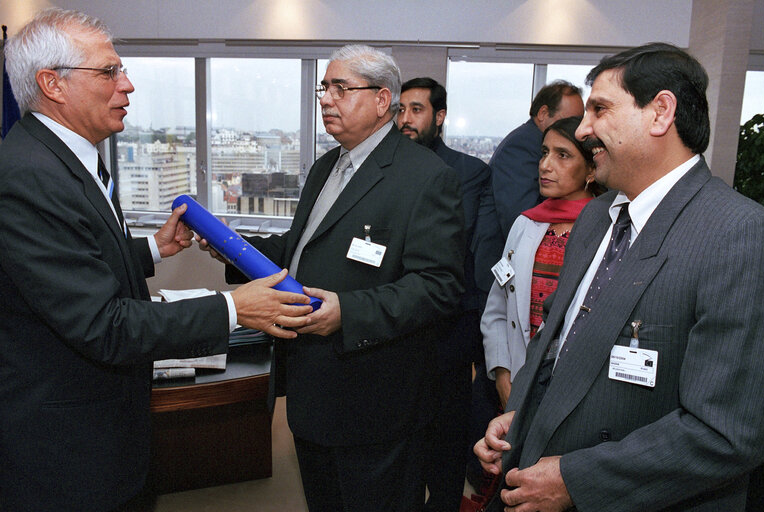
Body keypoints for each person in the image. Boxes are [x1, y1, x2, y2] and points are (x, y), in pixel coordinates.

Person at [0, 9, 312, 512]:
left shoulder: (64, 158)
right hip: (65, 450)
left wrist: (152, 249)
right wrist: (235, 309)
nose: (128, 85)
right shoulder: (30, 177)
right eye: (109, 71)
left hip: (104, 427)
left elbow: (73, 259)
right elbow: (102, 323)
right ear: (52, 84)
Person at [474, 42, 764, 511]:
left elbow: (726, 431)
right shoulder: (596, 219)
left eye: (600, 109)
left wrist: (576, 481)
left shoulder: (739, 233)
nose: (584, 128)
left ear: (660, 113)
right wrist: (519, 412)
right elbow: (557, 340)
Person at [209, 46, 465, 512]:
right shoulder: (327, 166)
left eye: (341, 88)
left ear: (382, 99)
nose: (326, 98)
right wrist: (229, 246)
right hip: (314, 392)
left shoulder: (426, 177)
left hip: (375, 401)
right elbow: (300, 251)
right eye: (324, 87)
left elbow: (438, 286)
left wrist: (348, 313)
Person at [397, 76, 499, 512]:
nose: (405, 119)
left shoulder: (468, 172)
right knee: (399, 439)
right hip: (392, 326)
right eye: (400, 110)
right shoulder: (385, 169)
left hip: (448, 328)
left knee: (444, 440)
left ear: (439, 117)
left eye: (416, 110)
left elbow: (466, 251)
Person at [482, 116, 599, 408]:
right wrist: (502, 372)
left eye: (563, 155)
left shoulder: (607, 229)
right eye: (544, 152)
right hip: (519, 379)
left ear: (591, 170)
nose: (546, 165)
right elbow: (497, 306)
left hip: (578, 388)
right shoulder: (525, 224)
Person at [484, 80, 584, 236]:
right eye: (569, 121)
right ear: (543, 114)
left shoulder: (531, 140)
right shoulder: (520, 146)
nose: (577, 129)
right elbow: (521, 217)